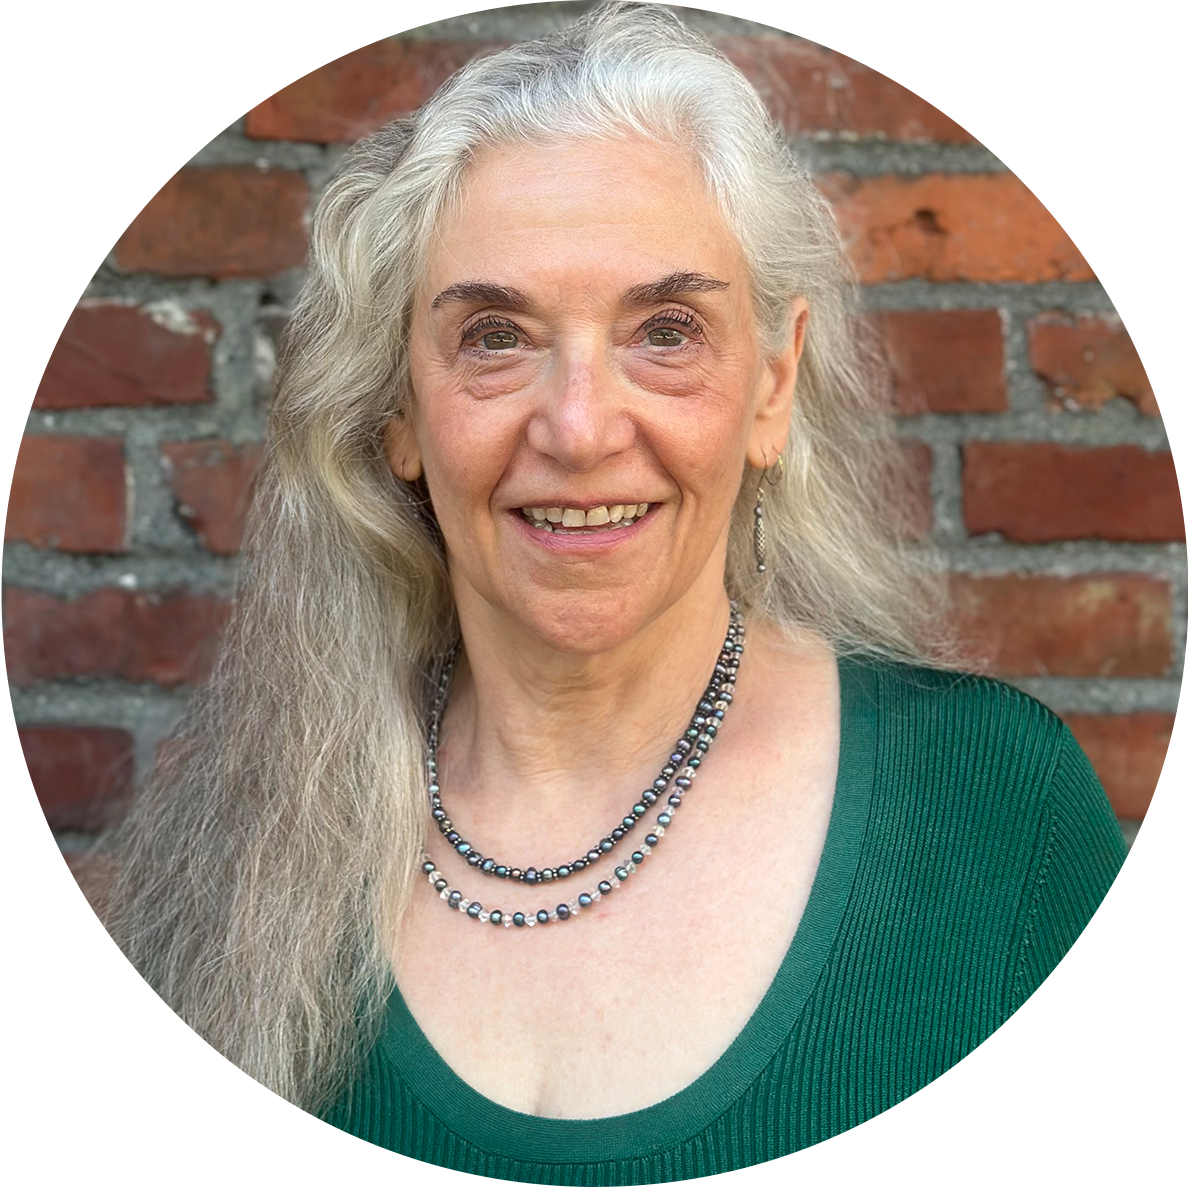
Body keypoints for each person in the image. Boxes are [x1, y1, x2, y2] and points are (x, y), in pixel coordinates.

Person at [94, 3, 1135, 1182]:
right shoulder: (242, 858)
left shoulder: (994, 817)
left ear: (772, 385)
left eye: (667, 330)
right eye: (495, 335)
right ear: (397, 412)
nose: (580, 427)